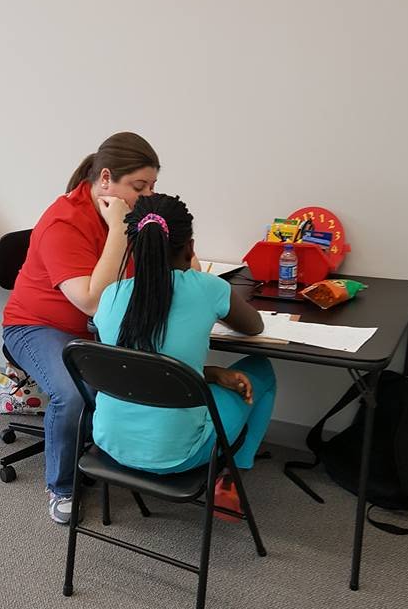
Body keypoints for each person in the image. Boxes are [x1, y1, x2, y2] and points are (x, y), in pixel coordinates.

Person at [2, 131, 160, 524]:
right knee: (72, 397)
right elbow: (90, 299)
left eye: (152, 186)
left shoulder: (127, 215)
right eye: (139, 187)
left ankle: (112, 455)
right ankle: (62, 487)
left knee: (133, 378)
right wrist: (122, 229)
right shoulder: (64, 222)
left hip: (92, 328)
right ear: (105, 179)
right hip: (36, 326)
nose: (147, 196)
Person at [93, 194, 276, 506]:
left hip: (109, 442)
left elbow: (139, 368)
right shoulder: (207, 287)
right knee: (262, 369)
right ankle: (232, 478)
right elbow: (254, 326)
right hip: (179, 455)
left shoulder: (109, 297)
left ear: (133, 247)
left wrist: (213, 374)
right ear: (190, 247)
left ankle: (229, 474)